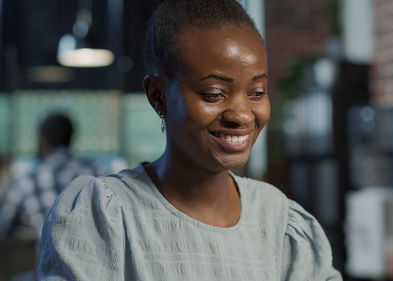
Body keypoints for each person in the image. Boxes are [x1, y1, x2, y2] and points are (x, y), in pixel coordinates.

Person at [38, 1, 343, 280]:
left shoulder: (279, 221)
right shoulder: (105, 216)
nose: (242, 115)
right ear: (158, 96)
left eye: (257, 93)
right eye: (214, 94)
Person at [0, 113, 98, 241]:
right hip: (95, 259)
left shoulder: (28, 182)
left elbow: (3, 221)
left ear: (43, 140)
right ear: (71, 138)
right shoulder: (96, 175)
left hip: (49, 259)